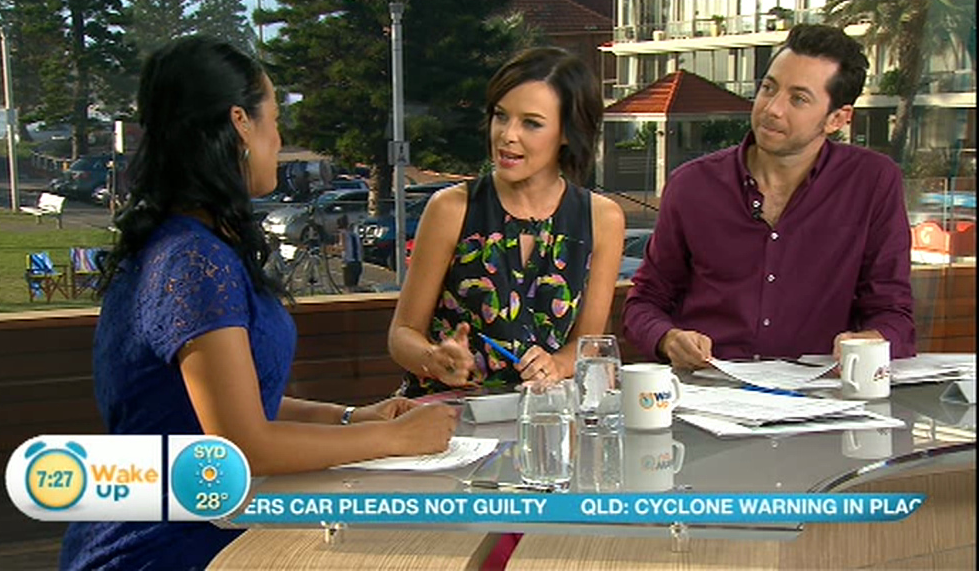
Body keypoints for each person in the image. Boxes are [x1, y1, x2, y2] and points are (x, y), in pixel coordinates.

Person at [59, 36, 457, 571]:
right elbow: (241, 444)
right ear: (241, 123)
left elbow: (229, 403)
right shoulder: (191, 261)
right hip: (163, 549)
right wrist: (392, 438)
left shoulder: (187, 243)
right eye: (275, 119)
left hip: (213, 529)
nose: (280, 138)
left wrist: (348, 418)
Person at [622, 24, 916, 370]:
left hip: (819, 391)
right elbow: (644, 303)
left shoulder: (872, 181)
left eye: (798, 99)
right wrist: (668, 339)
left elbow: (893, 313)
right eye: (768, 88)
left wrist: (872, 340)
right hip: (711, 386)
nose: (772, 108)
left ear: (837, 118)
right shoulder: (692, 185)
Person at [388, 47, 625, 397]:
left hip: (546, 415)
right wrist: (433, 358)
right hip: (446, 415)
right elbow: (402, 334)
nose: (507, 135)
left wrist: (557, 365)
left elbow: (589, 344)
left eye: (531, 123)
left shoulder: (603, 219)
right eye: (501, 116)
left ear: (567, 132)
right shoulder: (450, 209)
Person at [337, 213, 363, 291]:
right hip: (358, 263)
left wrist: (331, 249)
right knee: (354, 287)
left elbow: (343, 248)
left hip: (349, 263)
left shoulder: (343, 234)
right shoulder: (355, 235)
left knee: (348, 288)